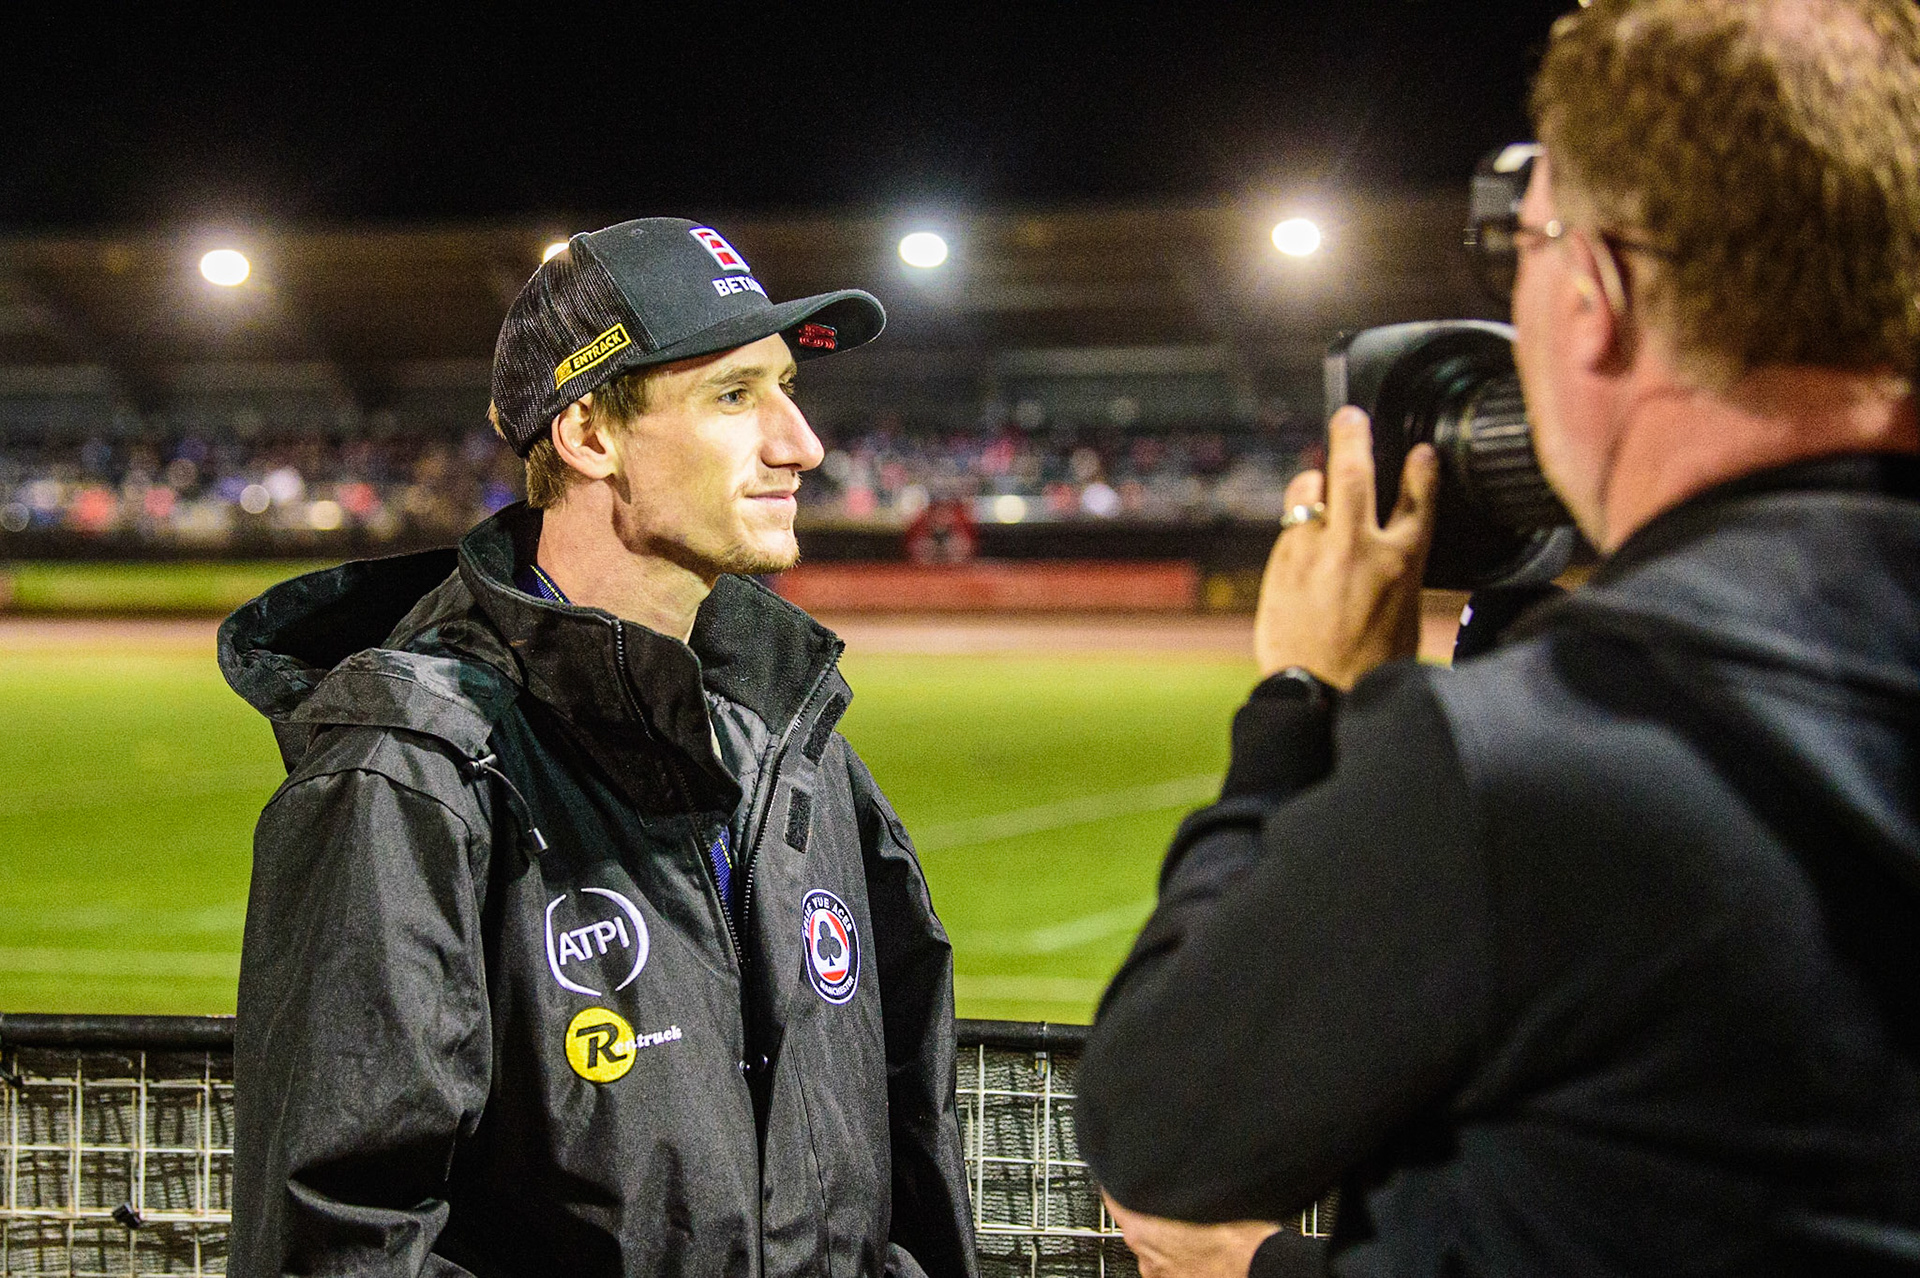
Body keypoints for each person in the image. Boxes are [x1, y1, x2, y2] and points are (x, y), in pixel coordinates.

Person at [1076, 1, 1920, 1274]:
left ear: (1599, 293)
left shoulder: (1541, 762)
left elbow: (1159, 1127)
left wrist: (1298, 706)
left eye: (1524, 246)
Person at [220, 218, 977, 1277]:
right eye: (733, 395)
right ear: (588, 434)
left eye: (788, 392)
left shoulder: (798, 747)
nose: (799, 445)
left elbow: (911, 1171)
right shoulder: (413, 772)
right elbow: (343, 1243)